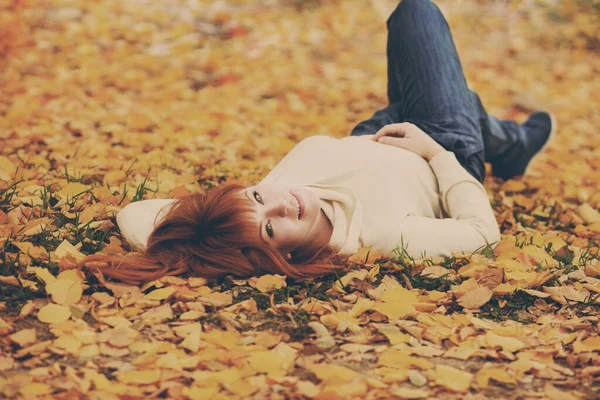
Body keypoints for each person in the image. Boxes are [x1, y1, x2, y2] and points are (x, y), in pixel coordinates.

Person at [79, 0, 555, 285]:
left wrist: (184, 252)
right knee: (417, 13)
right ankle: (500, 143)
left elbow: (135, 215)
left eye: (258, 198)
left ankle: (510, 142)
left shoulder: (250, 211)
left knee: (455, 95)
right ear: (279, 259)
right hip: (441, 149)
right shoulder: (382, 237)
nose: (282, 205)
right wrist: (437, 153)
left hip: (375, 131)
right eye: (270, 228)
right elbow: (482, 234)